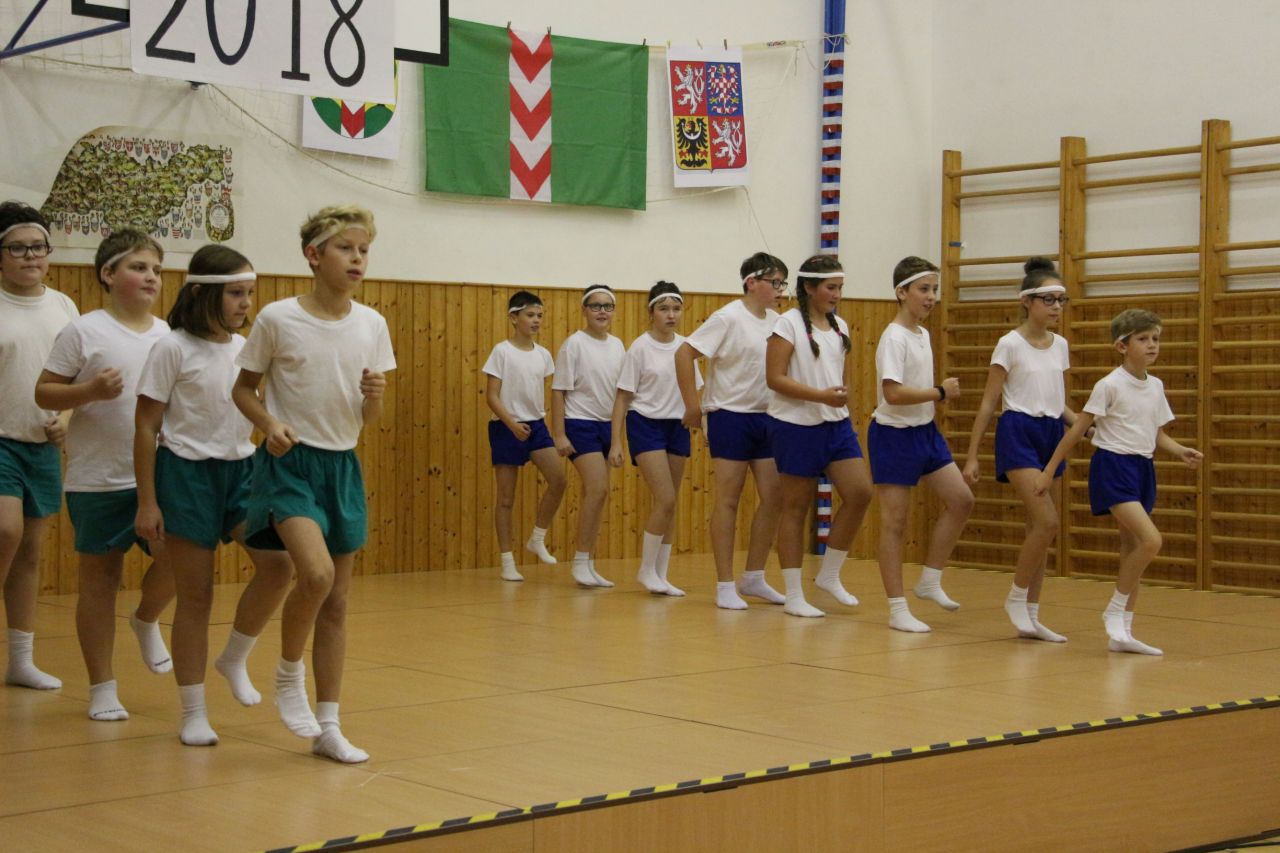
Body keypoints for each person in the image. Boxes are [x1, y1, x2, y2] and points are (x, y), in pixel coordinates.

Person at [233, 205, 395, 762]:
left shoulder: (372, 324)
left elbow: (368, 419)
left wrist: (375, 400)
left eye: (364, 250)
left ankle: (329, 726)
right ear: (314, 255)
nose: (357, 258)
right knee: (316, 574)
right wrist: (268, 424)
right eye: (345, 248)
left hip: (341, 466)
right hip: (289, 464)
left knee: (337, 602)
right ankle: (287, 675)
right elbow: (243, 390)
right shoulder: (278, 318)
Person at [134, 245, 294, 745]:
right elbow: (146, 425)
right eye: (236, 294)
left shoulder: (244, 348)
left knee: (279, 565)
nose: (247, 303)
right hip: (185, 474)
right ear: (204, 294)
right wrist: (147, 501)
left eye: (249, 293)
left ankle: (235, 656)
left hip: (241, 472)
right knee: (196, 593)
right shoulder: (172, 348)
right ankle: (193, 710)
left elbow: (253, 405)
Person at [34, 228, 175, 720]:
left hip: (156, 478)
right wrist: (89, 391)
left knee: (181, 558)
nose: (151, 277)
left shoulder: (168, 335)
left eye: (156, 269)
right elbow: (45, 392)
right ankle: (102, 687)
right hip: (97, 479)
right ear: (109, 274)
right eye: (139, 267)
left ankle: (146, 618)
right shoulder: (84, 331)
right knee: (99, 582)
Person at [1035, 308, 1201, 655]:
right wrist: (1049, 470)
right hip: (1113, 467)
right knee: (1152, 540)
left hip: (1143, 469)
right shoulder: (1109, 385)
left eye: (1155, 338)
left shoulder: (1155, 386)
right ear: (1122, 346)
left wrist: (1179, 450)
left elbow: (1156, 434)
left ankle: (1123, 633)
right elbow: (1077, 430)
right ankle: (1113, 610)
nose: (1152, 345)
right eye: (1143, 339)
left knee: (1132, 548)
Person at [963, 257, 1080, 642]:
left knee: (1039, 529)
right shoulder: (1009, 344)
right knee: (1047, 522)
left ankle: (1031, 614)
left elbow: (1059, 402)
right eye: (1049, 299)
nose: (1056, 307)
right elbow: (989, 402)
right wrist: (973, 455)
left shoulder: (1061, 346)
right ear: (1027, 301)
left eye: (1061, 300)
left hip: (1051, 434)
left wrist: (1086, 426)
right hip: (1018, 432)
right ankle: (1015, 597)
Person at [675, 253, 788, 610]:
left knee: (775, 495)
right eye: (774, 282)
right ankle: (725, 583)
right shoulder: (727, 317)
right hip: (729, 415)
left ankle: (754, 576)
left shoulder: (779, 322)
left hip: (766, 416)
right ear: (752, 282)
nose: (780, 290)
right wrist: (692, 405)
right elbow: (683, 353)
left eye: (783, 283)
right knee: (729, 497)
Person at [868, 256, 973, 633]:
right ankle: (897, 608)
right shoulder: (893, 337)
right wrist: (939, 391)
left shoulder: (923, 334)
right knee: (895, 523)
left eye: (934, 290)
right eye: (923, 289)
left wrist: (933, 398)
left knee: (962, 499)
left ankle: (930, 579)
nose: (931, 297)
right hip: (893, 436)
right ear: (902, 292)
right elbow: (893, 393)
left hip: (925, 432)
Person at [764, 255, 873, 618]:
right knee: (796, 507)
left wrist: (838, 403)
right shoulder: (787, 324)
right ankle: (794, 594)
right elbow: (775, 378)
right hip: (795, 426)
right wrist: (820, 396)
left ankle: (829, 574)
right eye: (830, 287)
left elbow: (837, 375)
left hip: (835, 424)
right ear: (809, 288)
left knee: (860, 492)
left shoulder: (840, 325)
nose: (837, 294)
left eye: (840, 287)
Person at [0, 201, 77, 690]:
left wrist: (66, 418)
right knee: (4, 531)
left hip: (41, 445)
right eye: (18, 248)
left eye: (39, 246)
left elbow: (76, 376)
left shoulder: (64, 306)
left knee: (29, 550)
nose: (31, 255)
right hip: (0, 442)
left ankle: (21, 660)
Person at [611, 281, 699, 596]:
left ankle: (661, 575)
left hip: (677, 424)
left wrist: (702, 422)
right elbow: (623, 397)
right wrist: (616, 442)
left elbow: (695, 391)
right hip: (645, 423)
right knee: (665, 498)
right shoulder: (639, 347)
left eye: (676, 309)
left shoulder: (686, 347)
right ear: (651, 313)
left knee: (671, 503)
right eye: (664, 309)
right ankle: (646, 570)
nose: (671, 315)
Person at [482, 291, 565, 582]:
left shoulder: (543, 355)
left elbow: (543, 391)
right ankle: (507, 561)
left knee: (559, 479)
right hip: (506, 427)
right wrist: (513, 424)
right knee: (506, 497)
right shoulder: (501, 352)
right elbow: (492, 396)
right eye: (530, 315)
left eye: (539, 315)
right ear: (514, 318)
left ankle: (537, 538)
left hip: (536, 427)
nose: (536, 320)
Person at [551, 284, 625, 588]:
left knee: (597, 494)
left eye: (608, 306)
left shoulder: (618, 345)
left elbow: (621, 394)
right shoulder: (574, 344)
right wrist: (559, 434)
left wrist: (617, 439)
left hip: (607, 425)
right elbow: (559, 390)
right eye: (596, 306)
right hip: (579, 423)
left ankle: (589, 563)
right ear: (584, 310)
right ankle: (580, 561)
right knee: (598, 488)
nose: (602, 312)